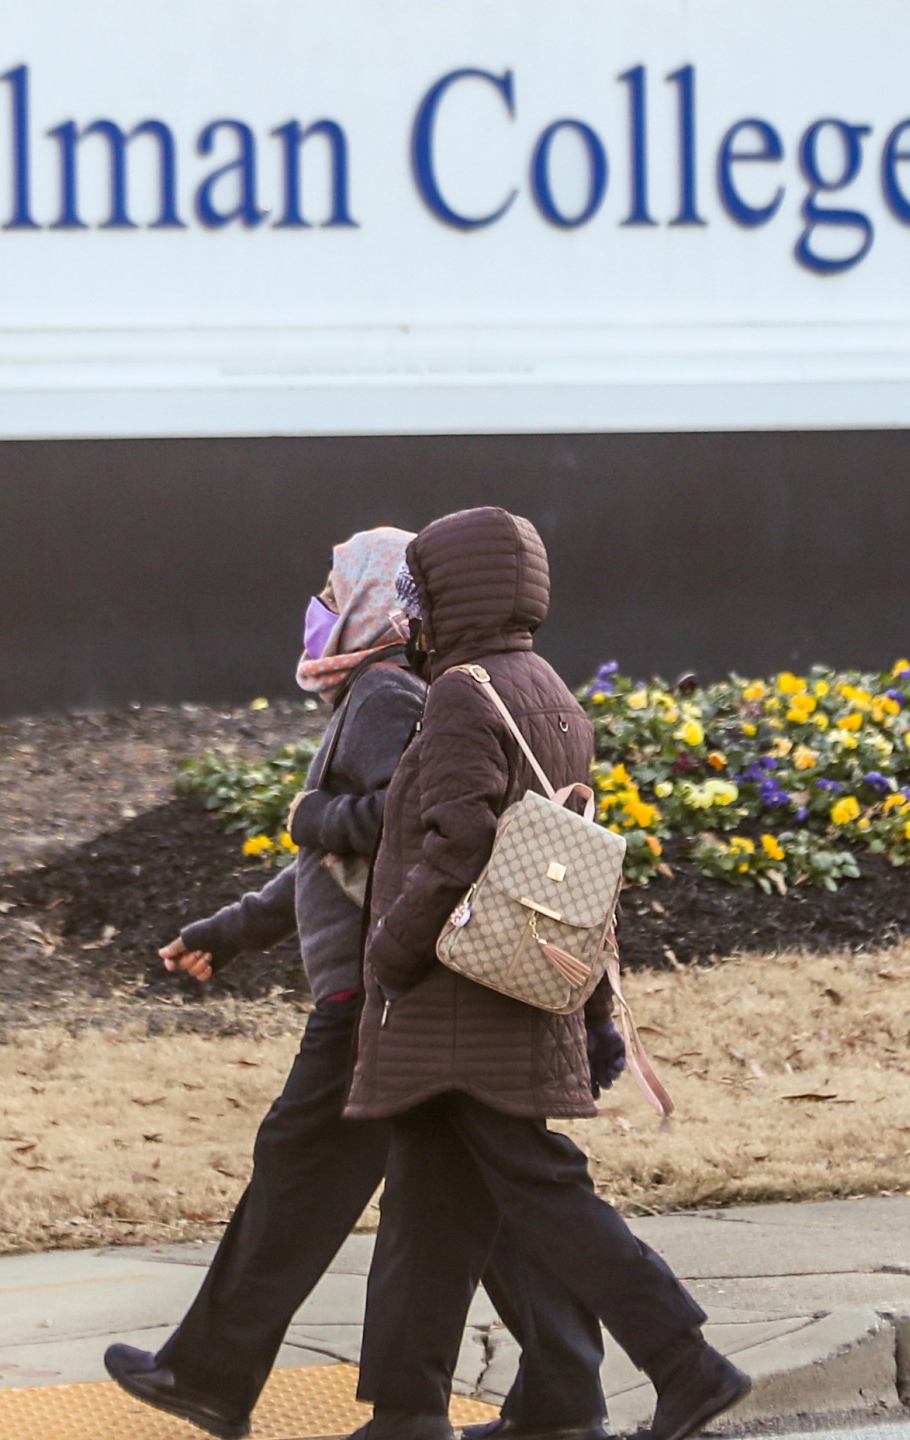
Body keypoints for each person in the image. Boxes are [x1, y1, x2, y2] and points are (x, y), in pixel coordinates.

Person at [106, 526, 615, 1440]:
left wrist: (314, 815)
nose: (322, 607)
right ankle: (562, 1396)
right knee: (475, 1196)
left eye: (335, 589)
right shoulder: (393, 692)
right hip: (385, 988)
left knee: (300, 1176)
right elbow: (335, 871)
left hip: (376, 996)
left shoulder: (384, 694)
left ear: (376, 601)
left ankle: (213, 1378)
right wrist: (229, 932)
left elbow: (402, 828)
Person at [344, 508, 749, 1440]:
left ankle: (689, 1366)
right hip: (519, 988)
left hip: (460, 995)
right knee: (428, 1204)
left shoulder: (461, 694)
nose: (411, 613)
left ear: (451, 596)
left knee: (546, 1195)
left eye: (420, 593)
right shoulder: (549, 691)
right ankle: (414, 1411)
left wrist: (391, 953)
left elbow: (457, 845)